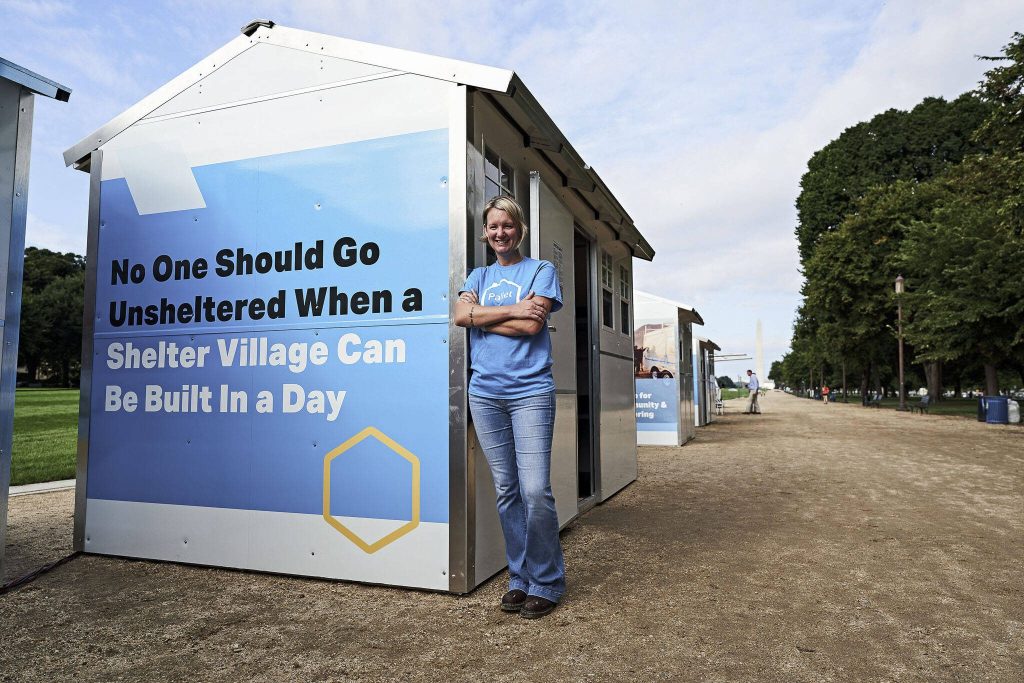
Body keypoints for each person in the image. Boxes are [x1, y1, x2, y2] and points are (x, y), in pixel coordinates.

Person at [453, 195, 565, 619]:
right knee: (507, 489)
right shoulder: (478, 274)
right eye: (493, 226)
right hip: (485, 393)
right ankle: (519, 577)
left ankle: (547, 581)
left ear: (520, 228)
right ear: (485, 233)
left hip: (530, 390)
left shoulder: (541, 270)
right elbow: (460, 317)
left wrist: (486, 313)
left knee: (535, 490)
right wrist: (513, 308)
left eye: (508, 225)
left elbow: (532, 324)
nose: (500, 232)